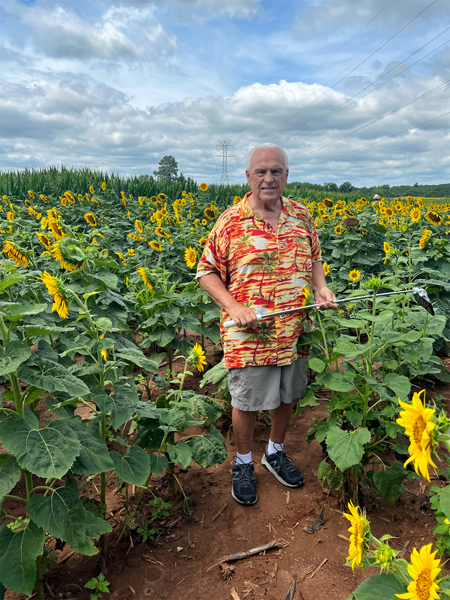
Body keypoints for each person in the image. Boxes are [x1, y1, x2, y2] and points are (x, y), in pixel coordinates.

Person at [196, 143, 336, 505]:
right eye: (261, 171)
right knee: (247, 400)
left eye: (276, 171)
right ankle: (243, 463)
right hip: (250, 334)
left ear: (287, 176)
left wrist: (321, 288)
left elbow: (316, 259)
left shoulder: (302, 216)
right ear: (248, 176)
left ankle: (274, 452)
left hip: (294, 329)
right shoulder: (231, 221)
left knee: (287, 394)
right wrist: (233, 305)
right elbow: (206, 271)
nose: (269, 178)